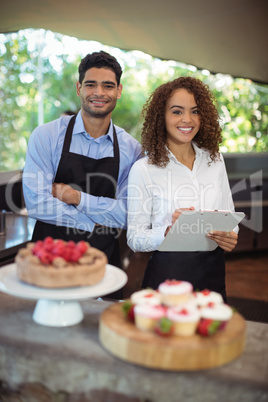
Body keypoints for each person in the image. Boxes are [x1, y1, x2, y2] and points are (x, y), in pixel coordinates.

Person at [23, 51, 142, 286]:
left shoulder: (131, 149)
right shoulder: (46, 136)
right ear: (79, 88)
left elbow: (129, 214)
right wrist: (94, 220)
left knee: (99, 320)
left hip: (103, 261)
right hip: (48, 258)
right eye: (91, 85)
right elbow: (36, 203)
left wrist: (74, 197)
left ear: (118, 90)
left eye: (108, 86)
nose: (99, 93)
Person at [127, 76, 238, 302]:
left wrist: (231, 236)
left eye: (195, 111)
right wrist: (168, 232)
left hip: (212, 274)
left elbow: (230, 217)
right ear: (161, 117)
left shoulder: (215, 160)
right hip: (167, 276)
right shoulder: (144, 169)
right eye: (177, 111)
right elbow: (134, 238)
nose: (187, 119)